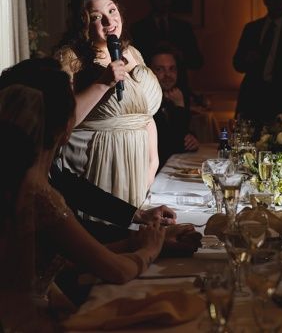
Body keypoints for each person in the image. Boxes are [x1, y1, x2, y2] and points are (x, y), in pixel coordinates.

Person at [0, 72, 166, 330]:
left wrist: (137, 237)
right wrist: (150, 250)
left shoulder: (17, 178)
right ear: (66, 126)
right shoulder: (38, 194)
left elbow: (64, 256)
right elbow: (118, 271)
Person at [54, 0, 162, 206]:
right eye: (96, 16)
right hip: (99, 163)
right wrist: (102, 83)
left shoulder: (132, 53)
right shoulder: (70, 58)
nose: (109, 21)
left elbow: (144, 115)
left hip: (138, 166)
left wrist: (152, 162)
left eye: (112, 11)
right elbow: (63, 121)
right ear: (83, 23)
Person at [233, 0, 282, 123]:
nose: (277, 3)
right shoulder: (252, 28)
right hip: (252, 96)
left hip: (280, 97)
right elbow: (237, 63)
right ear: (266, 1)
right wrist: (247, 59)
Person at [130, 0, 204, 73]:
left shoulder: (183, 28)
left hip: (178, 81)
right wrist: (154, 51)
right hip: (149, 80)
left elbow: (197, 62)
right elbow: (133, 63)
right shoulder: (138, 29)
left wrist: (179, 54)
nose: (164, 1)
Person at [148, 46, 200, 167]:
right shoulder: (147, 101)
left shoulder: (174, 95)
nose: (167, 75)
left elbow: (182, 133)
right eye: (160, 69)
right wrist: (179, 107)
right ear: (149, 72)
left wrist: (192, 139)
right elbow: (172, 144)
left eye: (172, 69)